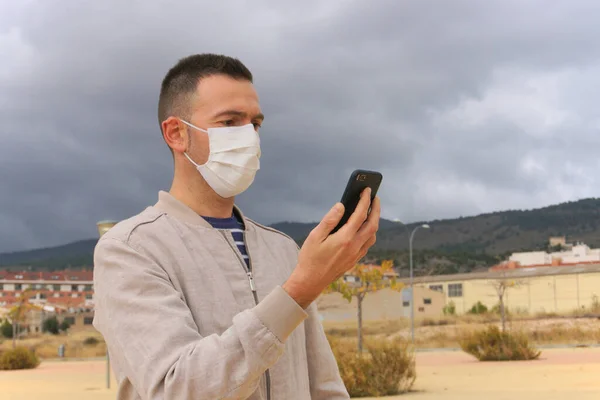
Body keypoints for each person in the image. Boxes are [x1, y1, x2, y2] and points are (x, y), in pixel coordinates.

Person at [93, 53, 380, 400]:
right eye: (230, 122)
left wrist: (302, 284)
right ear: (176, 133)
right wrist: (300, 289)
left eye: (255, 124)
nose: (248, 137)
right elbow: (178, 388)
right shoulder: (131, 249)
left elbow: (323, 384)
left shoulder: (282, 248)